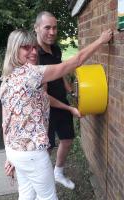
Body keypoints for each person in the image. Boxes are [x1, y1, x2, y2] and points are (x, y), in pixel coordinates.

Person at [0, 28, 112, 200]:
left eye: (34, 47)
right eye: (26, 48)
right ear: (14, 50)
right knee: (48, 197)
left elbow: (6, 121)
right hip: (31, 153)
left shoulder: (6, 79)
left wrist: (10, 156)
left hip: (15, 150)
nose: (33, 52)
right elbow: (73, 62)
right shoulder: (31, 74)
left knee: (26, 195)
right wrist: (100, 40)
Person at [34, 11, 77, 189]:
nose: (52, 32)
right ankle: (39, 181)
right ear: (36, 28)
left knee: (67, 140)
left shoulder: (56, 49)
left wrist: (69, 89)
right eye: (47, 28)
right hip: (44, 109)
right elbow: (44, 96)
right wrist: (69, 109)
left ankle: (58, 173)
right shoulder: (34, 56)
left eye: (54, 27)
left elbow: (60, 72)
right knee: (46, 148)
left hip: (60, 102)